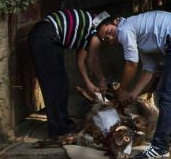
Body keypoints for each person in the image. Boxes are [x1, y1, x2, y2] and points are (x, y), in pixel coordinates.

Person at [94, 10, 171, 159]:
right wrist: (133, 94)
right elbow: (148, 69)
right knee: (169, 90)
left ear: (115, 22)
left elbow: (131, 63)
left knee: (167, 93)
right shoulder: (139, 37)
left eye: (108, 31)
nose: (109, 37)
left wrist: (123, 90)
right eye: (105, 38)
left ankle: (159, 147)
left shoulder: (125, 29)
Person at [28, 9, 110, 140]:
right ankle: (59, 130)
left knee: (61, 84)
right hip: (46, 35)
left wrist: (88, 84)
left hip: (45, 36)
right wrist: (102, 80)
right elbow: (93, 59)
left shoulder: (87, 33)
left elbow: (81, 62)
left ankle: (62, 125)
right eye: (107, 32)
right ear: (103, 23)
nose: (106, 37)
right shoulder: (95, 29)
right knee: (55, 85)